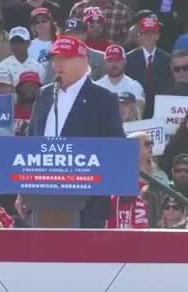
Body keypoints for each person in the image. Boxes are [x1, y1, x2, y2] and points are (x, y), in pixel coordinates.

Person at [27, 35, 126, 228]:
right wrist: (24, 191)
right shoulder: (44, 94)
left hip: (88, 207)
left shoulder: (103, 99)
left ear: (83, 61)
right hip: (42, 200)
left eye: (65, 58)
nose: (58, 64)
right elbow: (31, 140)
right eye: (55, 59)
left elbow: (116, 150)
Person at [125, 16, 172, 118]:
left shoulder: (167, 59)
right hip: (137, 108)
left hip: (158, 109)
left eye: (152, 33)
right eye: (145, 33)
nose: (149, 36)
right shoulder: (129, 58)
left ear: (158, 35)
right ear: (139, 35)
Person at [46, 18, 106, 83]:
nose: (73, 37)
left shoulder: (101, 58)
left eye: (77, 33)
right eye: (69, 33)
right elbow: (48, 83)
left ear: (85, 35)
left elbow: (105, 85)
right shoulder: (55, 57)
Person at [96, 44, 145, 115]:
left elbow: (138, 114)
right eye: (110, 61)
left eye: (117, 60)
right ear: (105, 63)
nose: (114, 64)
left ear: (124, 62)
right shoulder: (96, 86)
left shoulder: (134, 86)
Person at [69, 0, 134, 44]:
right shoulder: (78, 8)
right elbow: (69, 36)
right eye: (91, 25)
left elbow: (128, 42)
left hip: (110, 59)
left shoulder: (123, 11)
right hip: (79, 55)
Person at [14, 71, 41, 136]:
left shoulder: (44, 113)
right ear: (17, 89)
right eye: (26, 85)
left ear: (39, 90)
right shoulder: (8, 110)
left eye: (33, 86)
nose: (29, 88)